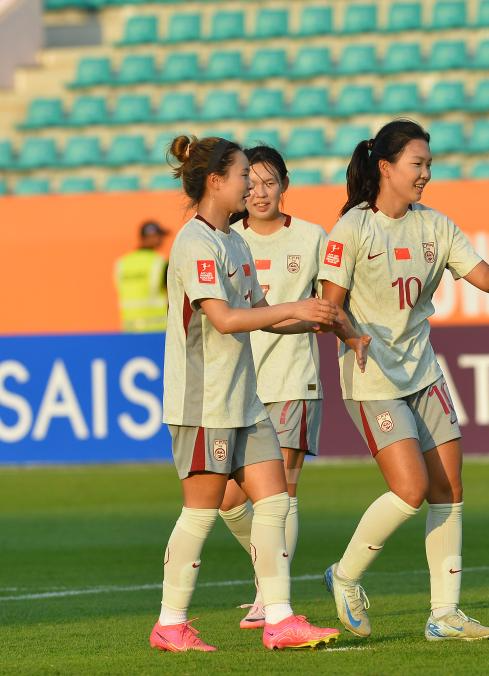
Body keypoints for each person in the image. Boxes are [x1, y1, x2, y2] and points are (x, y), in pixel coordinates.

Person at [317, 119, 489, 642]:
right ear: (386, 167)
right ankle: (344, 576)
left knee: (449, 488)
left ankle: (445, 615)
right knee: (410, 489)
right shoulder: (352, 229)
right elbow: (329, 308)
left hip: (423, 371)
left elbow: (485, 279)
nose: (425, 174)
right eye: (417, 165)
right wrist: (351, 337)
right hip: (373, 379)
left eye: (429, 165)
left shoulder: (436, 225)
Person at [151, 134, 358, 652]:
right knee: (201, 511)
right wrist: (295, 309)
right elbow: (223, 319)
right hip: (205, 401)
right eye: (244, 174)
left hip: (244, 396)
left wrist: (316, 318)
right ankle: (170, 623)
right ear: (216, 181)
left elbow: (261, 311)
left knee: (274, 502)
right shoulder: (194, 242)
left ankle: (280, 618)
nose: (251, 183)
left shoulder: (236, 241)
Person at [212, 145, 331, 630]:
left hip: (291, 379)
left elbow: (333, 299)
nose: (259, 193)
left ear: (285, 184)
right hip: (238, 383)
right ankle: (270, 574)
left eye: (269, 182)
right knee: (226, 499)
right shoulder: (225, 240)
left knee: (279, 493)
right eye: (251, 183)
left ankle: (270, 592)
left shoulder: (310, 236)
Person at [114, 220, 169, 333]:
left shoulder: (122, 263)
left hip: (129, 328)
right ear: (151, 237)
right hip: (157, 328)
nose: (162, 240)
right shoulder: (159, 263)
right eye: (160, 236)